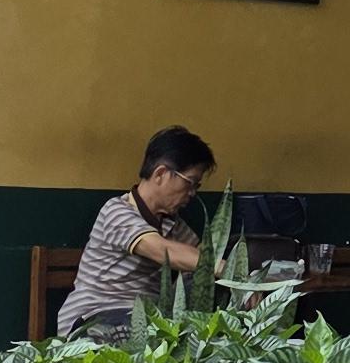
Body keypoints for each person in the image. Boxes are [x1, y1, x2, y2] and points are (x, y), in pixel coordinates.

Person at [56, 128, 224, 340]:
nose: (192, 193)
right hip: (94, 317)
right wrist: (225, 268)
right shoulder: (116, 211)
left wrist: (243, 283)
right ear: (160, 174)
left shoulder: (173, 225)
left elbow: (198, 258)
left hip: (143, 320)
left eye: (196, 186)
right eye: (189, 182)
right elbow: (161, 250)